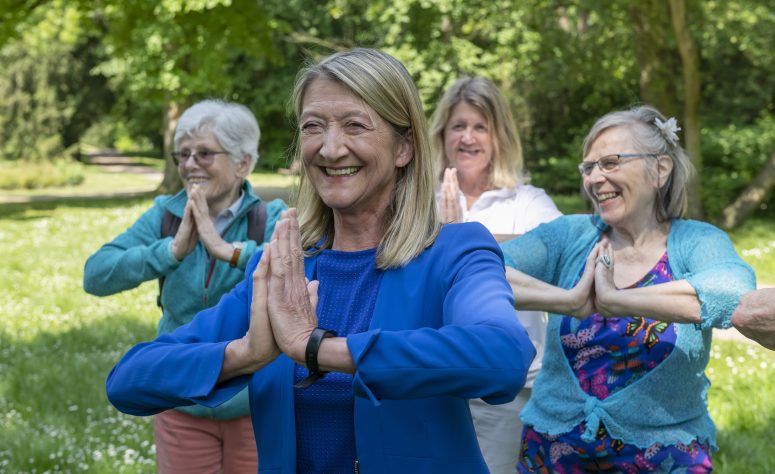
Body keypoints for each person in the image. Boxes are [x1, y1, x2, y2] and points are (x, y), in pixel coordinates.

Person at [105, 48, 536, 474]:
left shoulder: (453, 253)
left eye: (355, 126)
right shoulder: (285, 269)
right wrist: (244, 354)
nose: (330, 149)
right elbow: (128, 381)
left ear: (404, 147)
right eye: (314, 127)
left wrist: (320, 350)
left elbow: (502, 358)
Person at [501, 105, 756, 472]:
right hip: (554, 455)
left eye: (611, 162)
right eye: (588, 168)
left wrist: (619, 301)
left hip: (666, 457)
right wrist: (569, 301)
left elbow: (730, 290)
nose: (594, 178)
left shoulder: (695, 240)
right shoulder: (571, 235)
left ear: (660, 169)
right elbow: (478, 269)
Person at [84, 99, 287, 473]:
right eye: (183, 154)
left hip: (256, 401)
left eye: (205, 154)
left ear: (243, 162)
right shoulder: (165, 215)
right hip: (182, 398)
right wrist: (171, 252)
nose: (190, 165)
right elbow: (96, 274)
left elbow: (295, 265)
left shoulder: (269, 217)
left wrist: (227, 251)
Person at [430, 76, 561, 473]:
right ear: (441, 135)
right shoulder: (415, 198)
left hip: (505, 389)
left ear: (498, 136)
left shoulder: (527, 201)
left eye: (480, 126)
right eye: (458, 126)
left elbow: (557, 249)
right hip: (429, 381)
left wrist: (457, 238)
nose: (468, 137)